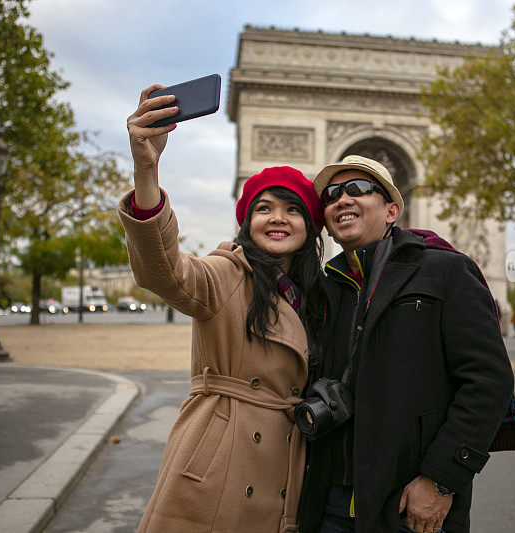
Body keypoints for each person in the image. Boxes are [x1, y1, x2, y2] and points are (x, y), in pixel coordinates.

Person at [119, 84, 326, 532]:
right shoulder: (226, 274)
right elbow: (163, 271)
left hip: (284, 466)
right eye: (264, 208)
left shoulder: (317, 294)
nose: (277, 218)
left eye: (292, 210)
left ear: (309, 227)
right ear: (247, 223)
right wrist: (145, 169)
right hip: (220, 467)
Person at [297, 155, 515, 533]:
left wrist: (441, 478)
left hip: (407, 503)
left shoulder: (446, 271)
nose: (342, 199)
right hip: (330, 505)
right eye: (332, 194)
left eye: (359, 189)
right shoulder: (324, 288)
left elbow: (489, 381)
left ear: (392, 210)